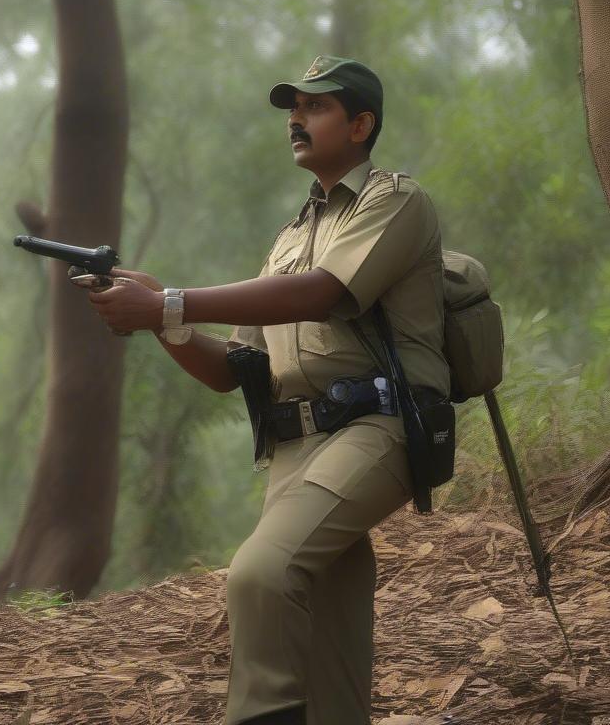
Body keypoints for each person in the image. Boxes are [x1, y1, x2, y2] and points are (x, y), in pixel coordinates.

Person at [87, 55, 450, 725]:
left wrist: (170, 300)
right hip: (296, 446)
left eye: (315, 107)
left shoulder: (395, 201)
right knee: (329, 636)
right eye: (293, 108)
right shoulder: (289, 237)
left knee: (260, 575)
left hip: (378, 427)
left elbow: (325, 293)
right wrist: (162, 324)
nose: (296, 119)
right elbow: (236, 366)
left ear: (361, 123)